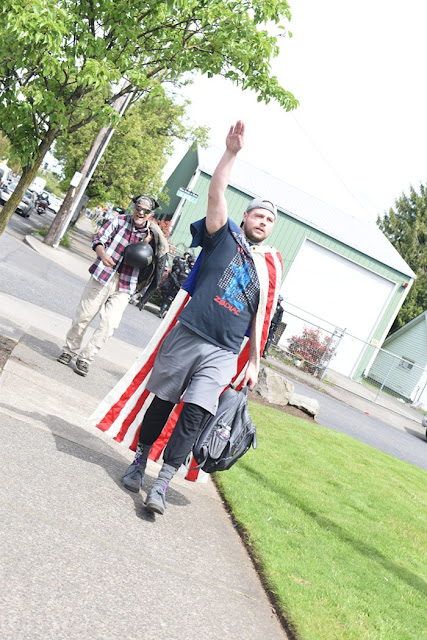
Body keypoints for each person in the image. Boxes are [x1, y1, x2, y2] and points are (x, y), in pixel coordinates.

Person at [110, 120, 283, 515]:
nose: (263, 222)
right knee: (163, 402)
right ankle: (139, 461)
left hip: (224, 352)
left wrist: (254, 362)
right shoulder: (224, 235)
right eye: (258, 215)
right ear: (246, 217)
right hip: (189, 333)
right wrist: (230, 153)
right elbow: (216, 191)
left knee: (193, 416)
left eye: (270, 220)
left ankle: (162, 483)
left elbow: (262, 318)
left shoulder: (269, 265)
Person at [57, 195, 168, 376]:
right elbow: (98, 240)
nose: (141, 212)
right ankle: (69, 350)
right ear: (134, 207)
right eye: (138, 208)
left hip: (126, 284)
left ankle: (85, 358)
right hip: (103, 275)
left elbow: (154, 262)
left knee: (109, 325)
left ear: (151, 214)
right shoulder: (118, 221)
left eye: (145, 210)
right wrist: (102, 255)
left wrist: (145, 244)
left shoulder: (153, 235)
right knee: (83, 317)